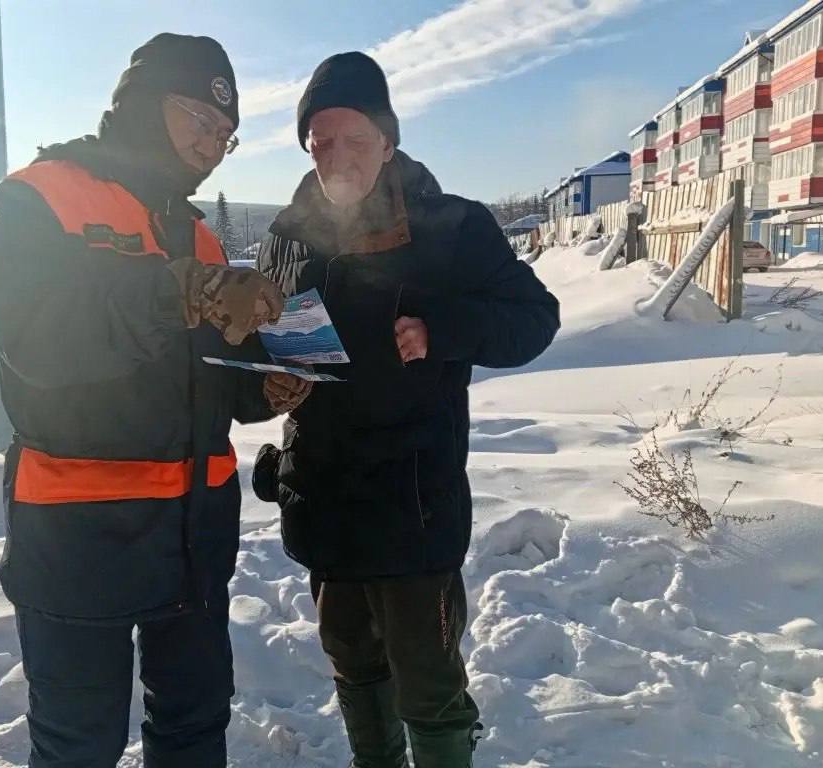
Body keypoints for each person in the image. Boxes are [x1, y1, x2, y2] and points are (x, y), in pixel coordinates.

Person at [0, 33, 310, 768]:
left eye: (225, 134)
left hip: (193, 539)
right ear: (142, 102)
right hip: (79, 538)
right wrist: (177, 291)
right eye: (200, 119)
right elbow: (37, 336)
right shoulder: (41, 195)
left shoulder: (200, 238)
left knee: (193, 732)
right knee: (78, 748)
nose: (212, 144)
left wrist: (262, 386)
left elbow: (210, 372)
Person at [252, 52, 560, 767]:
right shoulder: (289, 236)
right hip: (324, 494)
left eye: (355, 139)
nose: (337, 157)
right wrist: (263, 370)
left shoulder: (451, 227)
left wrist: (443, 329)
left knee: (427, 685)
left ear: (388, 141)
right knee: (354, 666)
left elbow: (534, 319)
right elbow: (266, 334)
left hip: (412, 504)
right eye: (321, 143)